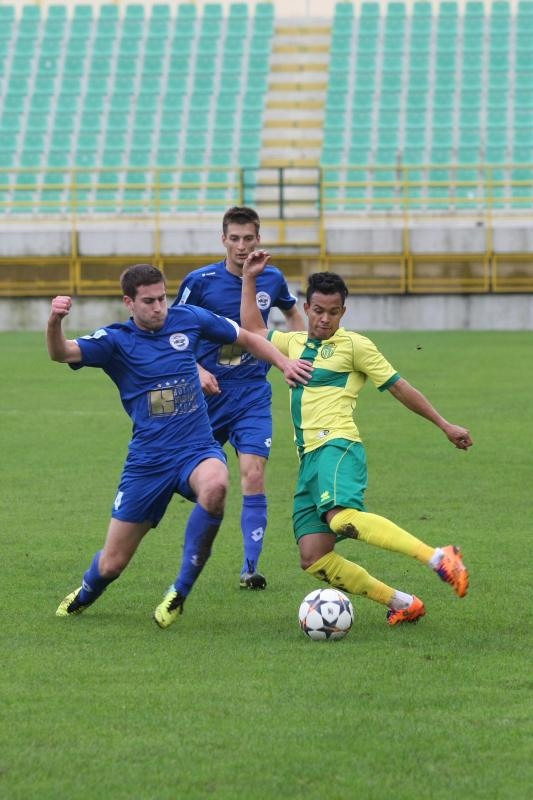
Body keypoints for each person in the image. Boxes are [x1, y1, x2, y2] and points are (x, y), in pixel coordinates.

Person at [48, 263, 312, 629]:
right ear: (129, 302)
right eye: (149, 301)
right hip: (148, 462)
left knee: (217, 484)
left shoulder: (188, 318)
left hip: (196, 449)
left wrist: (283, 363)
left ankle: (179, 591)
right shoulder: (115, 341)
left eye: (162, 298)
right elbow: (61, 353)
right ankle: (85, 592)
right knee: (112, 563)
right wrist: (54, 321)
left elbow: (248, 337)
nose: (159, 307)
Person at [240, 254, 473, 625]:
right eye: (318, 310)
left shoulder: (355, 346)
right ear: (307, 308)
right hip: (309, 459)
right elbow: (252, 329)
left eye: (333, 312)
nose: (325, 319)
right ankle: (402, 602)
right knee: (314, 557)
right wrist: (249, 279)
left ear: (343, 312)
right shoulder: (294, 343)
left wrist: (444, 425)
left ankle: (438, 556)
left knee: (340, 517)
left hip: (339, 445)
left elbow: (401, 388)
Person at [173, 206, 305, 590]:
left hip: (251, 393)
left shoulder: (273, 277)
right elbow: (174, 335)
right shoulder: (200, 281)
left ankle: (250, 567)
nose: (242, 246)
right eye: (235, 238)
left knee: (254, 473)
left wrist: (297, 352)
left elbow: (293, 313)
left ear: (258, 238)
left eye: (249, 238)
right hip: (206, 397)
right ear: (223, 239)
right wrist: (197, 370)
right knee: (190, 479)